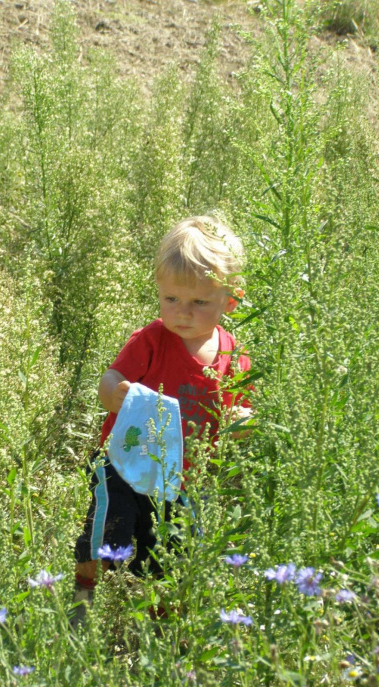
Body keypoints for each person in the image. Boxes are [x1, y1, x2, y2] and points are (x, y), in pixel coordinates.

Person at [72, 215, 253, 620]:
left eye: (198, 302)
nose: (182, 313)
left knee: (171, 557)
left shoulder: (232, 355)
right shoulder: (151, 340)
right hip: (124, 460)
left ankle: (162, 629)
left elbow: (244, 411)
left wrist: (242, 420)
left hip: (183, 478)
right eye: (171, 299)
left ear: (231, 301)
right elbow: (110, 381)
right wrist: (114, 394)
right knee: (107, 531)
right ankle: (83, 600)